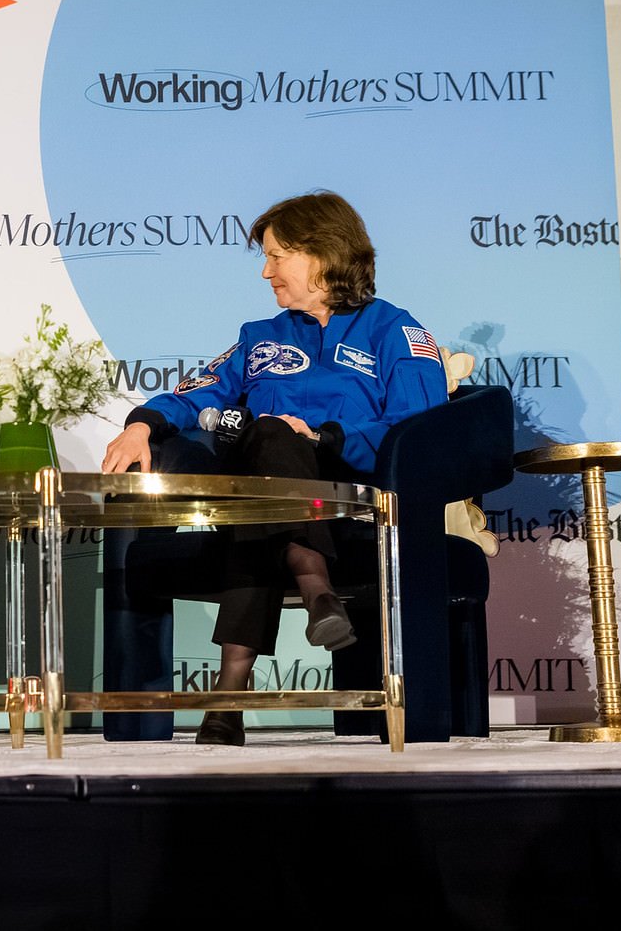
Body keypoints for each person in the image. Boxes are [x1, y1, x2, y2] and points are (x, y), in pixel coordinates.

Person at [100, 190, 447, 746]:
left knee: (265, 478)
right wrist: (142, 424)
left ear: (321, 254)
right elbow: (197, 392)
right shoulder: (259, 337)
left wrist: (326, 436)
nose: (266, 272)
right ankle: (315, 588)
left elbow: (420, 428)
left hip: (350, 499)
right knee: (265, 449)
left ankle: (229, 692)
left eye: (276, 256)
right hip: (266, 494)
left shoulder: (396, 332)